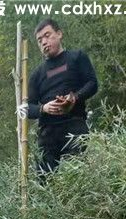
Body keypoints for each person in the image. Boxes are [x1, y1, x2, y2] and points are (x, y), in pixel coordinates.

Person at [25, 19, 98, 175]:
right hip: (47, 133)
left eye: (47, 35)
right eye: (40, 40)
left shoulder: (77, 57)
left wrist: (74, 98)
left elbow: (92, 84)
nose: (44, 42)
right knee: (45, 181)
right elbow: (27, 108)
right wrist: (44, 108)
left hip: (75, 125)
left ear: (59, 34)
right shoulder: (36, 75)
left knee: (77, 176)